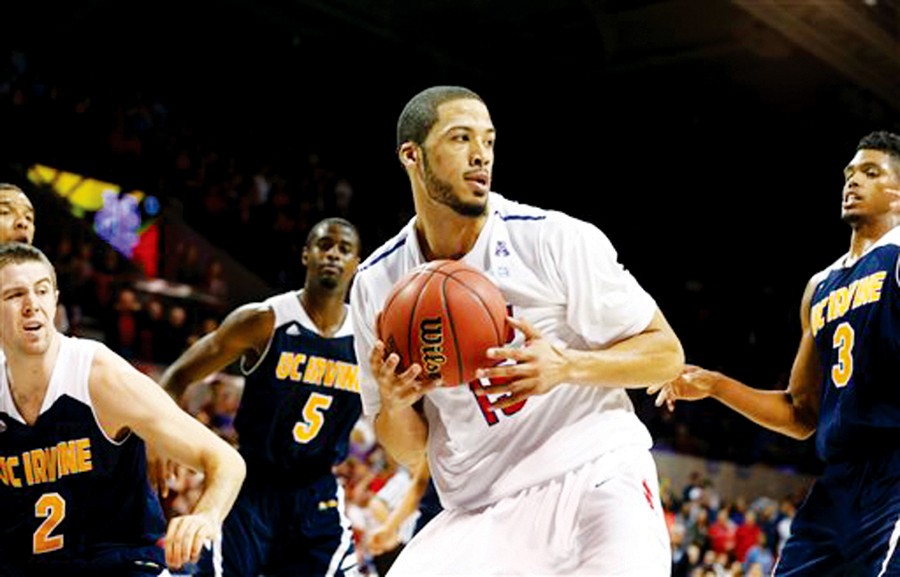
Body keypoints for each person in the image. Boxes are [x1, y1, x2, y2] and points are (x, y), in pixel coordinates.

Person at [349, 85, 685, 575]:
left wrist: (567, 366)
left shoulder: (551, 238)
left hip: (594, 472)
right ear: (411, 156)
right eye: (461, 138)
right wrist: (397, 401)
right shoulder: (377, 284)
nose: (480, 154)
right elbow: (408, 450)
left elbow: (666, 354)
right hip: (479, 506)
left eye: (487, 140)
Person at [649, 130, 900, 576]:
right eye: (849, 173)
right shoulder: (820, 286)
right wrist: (714, 385)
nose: (852, 181)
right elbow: (800, 413)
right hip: (835, 485)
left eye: (870, 172)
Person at [0, 242, 246, 576]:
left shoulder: (99, 376)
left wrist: (205, 515)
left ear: (55, 300)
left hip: (121, 565)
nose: (32, 305)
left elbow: (226, 461)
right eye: (15, 295)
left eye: (41, 291)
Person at [159, 217, 363, 577]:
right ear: (306, 255)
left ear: (356, 265)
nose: (332, 254)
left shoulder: (366, 339)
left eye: (344, 249)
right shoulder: (263, 321)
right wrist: (159, 438)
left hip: (316, 491)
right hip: (252, 484)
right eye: (324, 245)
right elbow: (178, 376)